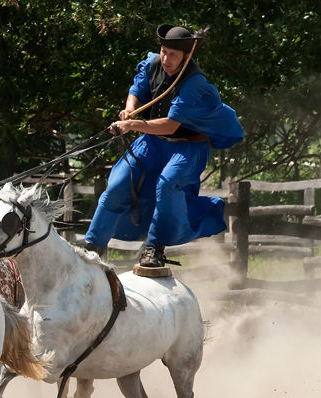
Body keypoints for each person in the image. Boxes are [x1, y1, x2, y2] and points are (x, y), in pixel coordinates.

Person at [84, 24, 244, 268]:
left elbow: (170, 125)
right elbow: (136, 89)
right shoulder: (152, 64)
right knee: (118, 184)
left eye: (173, 55)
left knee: (167, 184)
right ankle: (93, 248)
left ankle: (154, 249)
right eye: (164, 51)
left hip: (187, 147)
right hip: (152, 141)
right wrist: (130, 109)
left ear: (186, 57)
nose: (166, 59)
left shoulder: (194, 83)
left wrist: (132, 125)